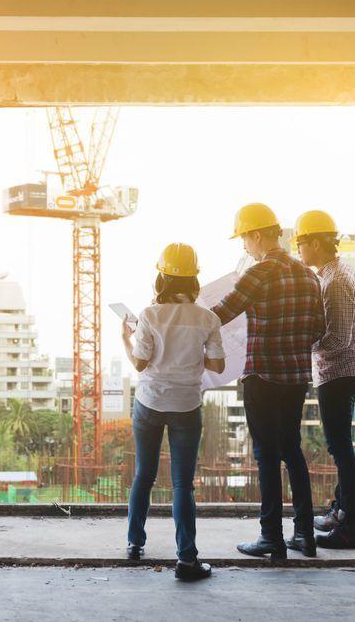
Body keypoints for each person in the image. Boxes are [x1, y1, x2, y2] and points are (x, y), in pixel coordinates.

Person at [211, 203, 325, 561]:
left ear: (257, 235)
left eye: (244, 239)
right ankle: (305, 535)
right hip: (295, 378)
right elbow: (319, 330)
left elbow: (219, 315)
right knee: (292, 451)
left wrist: (177, 311)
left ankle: (271, 537)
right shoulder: (309, 276)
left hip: (262, 375)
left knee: (265, 456)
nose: (244, 246)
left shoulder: (258, 274)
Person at [122, 242, 226, 581]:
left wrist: (127, 337)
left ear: (161, 278)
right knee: (183, 484)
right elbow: (218, 365)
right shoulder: (208, 318)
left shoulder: (149, 316)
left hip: (149, 402)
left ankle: (135, 543)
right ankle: (186, 560)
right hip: (186, 405)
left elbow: (140, 363)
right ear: (194, 279)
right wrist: (192, 353)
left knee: (144, 475)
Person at [294, 210, 355, 549]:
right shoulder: (339, 274)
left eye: (300, 244)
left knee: (340, 449)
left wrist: (302, 345)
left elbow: (338, 338)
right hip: (346, 371)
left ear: (314, 242)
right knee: (340, 446)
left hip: (339, 373)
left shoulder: (335, 281)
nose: (298, 251)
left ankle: (352, 527)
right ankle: (341, 511)